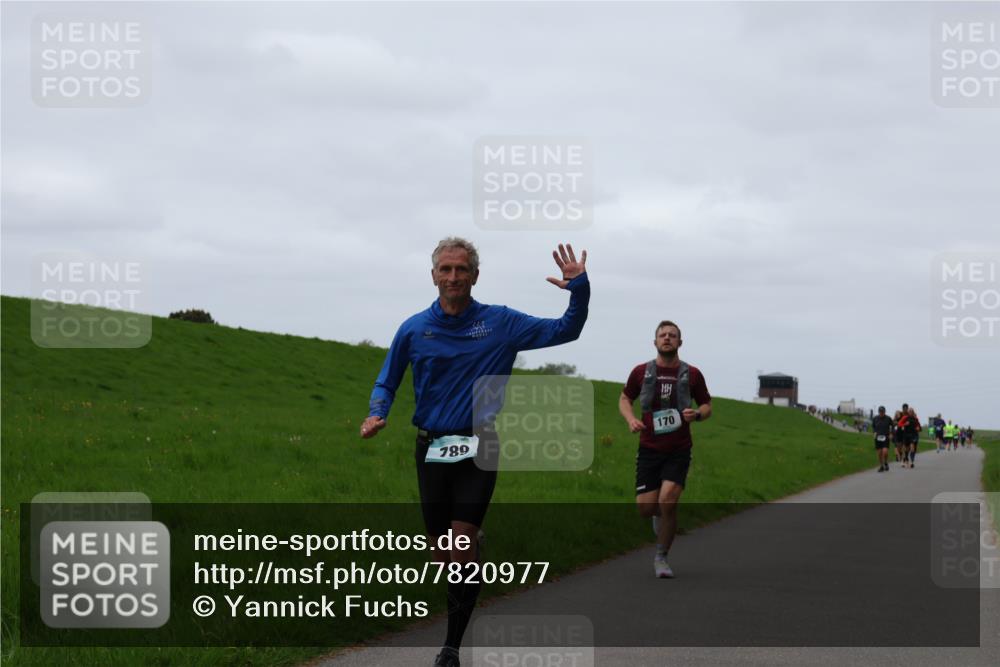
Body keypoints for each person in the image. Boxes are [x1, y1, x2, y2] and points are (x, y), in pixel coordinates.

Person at [360, 238, 589, 667]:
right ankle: (470, 545)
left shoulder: (500, 323)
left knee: (460, 544)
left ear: (475, 275)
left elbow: (566, 329)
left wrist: (580, 289)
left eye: (461, 269)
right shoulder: (413, 328)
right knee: (442, 553)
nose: (453, 277)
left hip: (479, 443)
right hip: (430, 447)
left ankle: (451, 647)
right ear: (433, 276)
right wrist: (377, 412)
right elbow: (386, 381)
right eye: (445, 270)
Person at [619, 320, 712, 578]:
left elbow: (707, 404)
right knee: (647, 508)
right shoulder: (641, 372)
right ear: (655, 342)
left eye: (672, 335)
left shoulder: (692, 374)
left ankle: (661, 557)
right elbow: (625, 398)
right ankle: (660, 517)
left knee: (668, 501)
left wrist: (698, 415)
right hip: (649, 448)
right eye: (663, 335)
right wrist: (630, 419)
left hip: (679, 448)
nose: (667, 338)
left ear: (680, 342)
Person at [872, 406, 894, 472]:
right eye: (880, 412)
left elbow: (892, 426)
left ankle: (885, 462)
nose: (881, 413)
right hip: (878, 437)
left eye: (882, 412)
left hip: (886, 436)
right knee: (879, 453)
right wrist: (874, 432)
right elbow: (873, 427)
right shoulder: (875, 418)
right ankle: (881, 466)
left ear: (884, 412)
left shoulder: (888, 418)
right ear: (879, 412)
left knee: (885, 452)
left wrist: (891, 433)